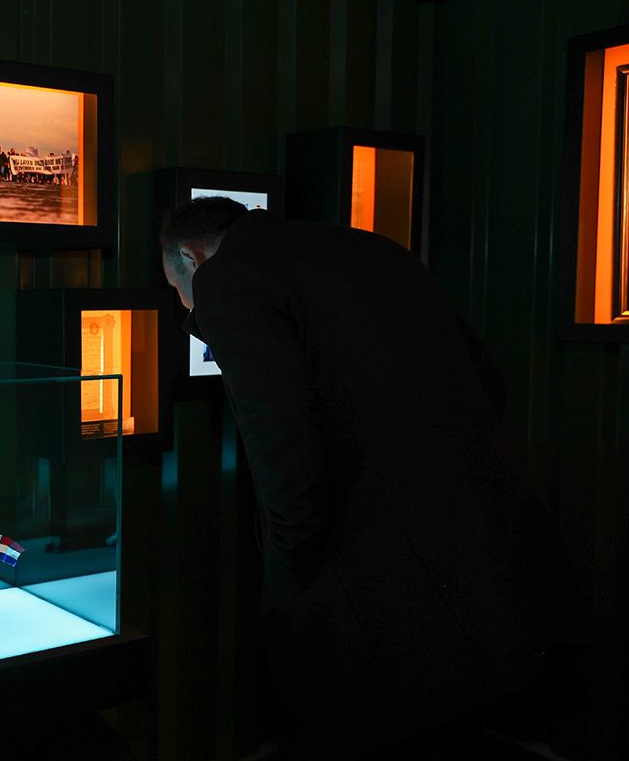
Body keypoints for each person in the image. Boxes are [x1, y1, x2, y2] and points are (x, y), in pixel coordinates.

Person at [160, 197, 581, 759]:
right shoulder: (369, 246)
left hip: (368, 577)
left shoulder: (228, 280)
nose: (183, 303)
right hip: (483, 547)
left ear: (191, 257)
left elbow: (280, 439)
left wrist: (289, 573)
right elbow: (487, 377)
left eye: (176, 289)